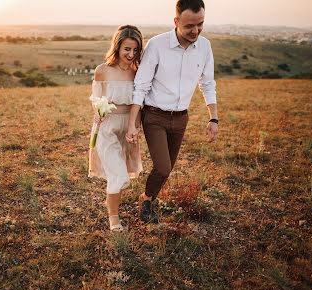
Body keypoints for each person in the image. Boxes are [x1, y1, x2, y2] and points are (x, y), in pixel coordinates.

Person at [126, 0, 218, 223]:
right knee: (163, 167)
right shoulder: (157, 45)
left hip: (181, 118)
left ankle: (149, 198)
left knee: (167, 168)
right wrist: (132, 123)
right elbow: (141, 85)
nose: (195, 30)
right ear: (176, 22)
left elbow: (207, 84)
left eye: (200, 24)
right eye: (189, 26)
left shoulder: (205, 47)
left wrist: (213, 117)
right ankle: (146, 199)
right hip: (155, 116)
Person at [88, 25, 144, 232]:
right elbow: (97, 98)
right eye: (127, 49)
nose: (131, 54)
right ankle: (114, 218)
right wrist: (97, 111)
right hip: (107, 127)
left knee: (119, 173)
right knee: (118, 175)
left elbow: (139, 103)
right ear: (118, 47)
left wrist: (135, 128)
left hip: (128, 128)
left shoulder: (138, 72)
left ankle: (114, 214)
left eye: (135, 50)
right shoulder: (102, 71)